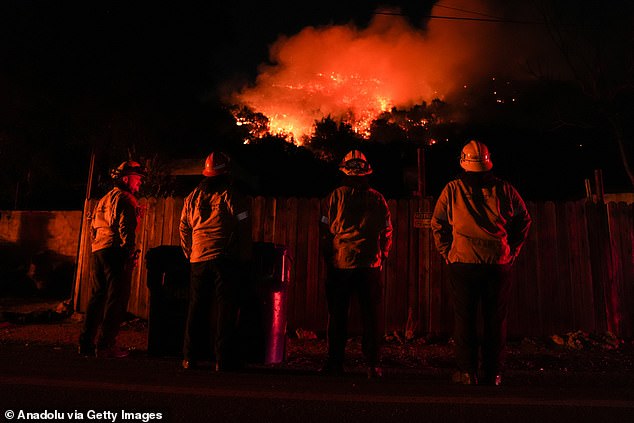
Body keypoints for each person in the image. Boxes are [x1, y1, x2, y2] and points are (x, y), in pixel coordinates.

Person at [431, 140, 531, 386]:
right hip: (497, 264)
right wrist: (512, 250)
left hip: (463, 263)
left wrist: (447, 252)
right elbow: (524, 220)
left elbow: (438, 224)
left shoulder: (452, 190)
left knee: (464, 319)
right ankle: (493, 374)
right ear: (488, 163)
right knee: (495, 321)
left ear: (463, 163)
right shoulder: (505, 190)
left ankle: (467, 373)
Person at [319, 150, 393, 379]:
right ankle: (372, 365)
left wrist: (328, 257)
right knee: (372, 318)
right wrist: (383, 256)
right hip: (370, 265)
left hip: (341, 264)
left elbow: (324, 229)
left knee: (338, 316)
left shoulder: (334, 197)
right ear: (366, 173)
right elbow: (387, 231)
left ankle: (335, 364)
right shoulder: (378, 199)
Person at [179, 151, 252, 371]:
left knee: (196, 308)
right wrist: (245, 257)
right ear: (226, 173)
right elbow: (244, 227)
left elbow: (184, 226)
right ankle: (222, 359)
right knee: (225, 310)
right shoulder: (232, 195)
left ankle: (189, 358)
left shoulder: (193, 197)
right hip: (224, 259)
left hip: (198, 259)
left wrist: (190, 252)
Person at [78, 160, 146, 358]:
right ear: (126, 178)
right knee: (116, 299)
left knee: (97, 297)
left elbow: (94, 227)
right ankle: (106, 345)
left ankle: (86, 344)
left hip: (99, 251)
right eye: (137, 178)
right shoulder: (126, 199)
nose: (139, 183)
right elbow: (126, 229)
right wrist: (130, 251)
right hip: (116, 251)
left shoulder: (104, 199)